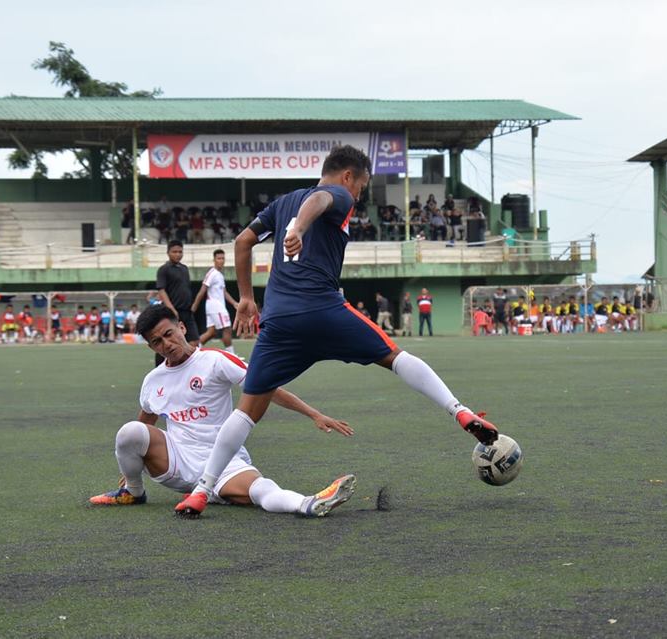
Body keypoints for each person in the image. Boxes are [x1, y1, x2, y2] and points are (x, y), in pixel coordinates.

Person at [174, 145, 499, 518]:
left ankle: (201, 490)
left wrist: (247, 297)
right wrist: (299, 227)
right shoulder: (338, 193)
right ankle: (459, 411)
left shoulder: (282, 203)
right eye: (361, 187)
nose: (357, 197)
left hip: (279, 322)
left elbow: (242, 241)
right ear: (349, 176)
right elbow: (322, 198)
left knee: (247, 412)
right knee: (395, 357)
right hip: (323, 310)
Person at [88, 305, 356, 517]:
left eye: (169, 334)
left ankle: (307, 504)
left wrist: (314, 414)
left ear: (181, 327)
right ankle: (133, 492)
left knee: (260, 490)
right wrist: (129, 467)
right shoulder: (153, 380)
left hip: (224, 461)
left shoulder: (214, 360)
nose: (166, 344)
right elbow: (145, 422)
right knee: (129, 431)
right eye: (157, 342)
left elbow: (267, 388)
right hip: (177, 461)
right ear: (151, 347)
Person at [155, 239, 199, 365]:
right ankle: (159, 368)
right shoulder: (164, 269)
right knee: (168, 341)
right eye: (174, 252)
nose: (178, 254)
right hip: (173, 312)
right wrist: (171, 309)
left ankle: (183, 366)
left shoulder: (184, 269)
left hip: (187, 311)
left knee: (194, 341)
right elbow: (161, 290)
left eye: (180, 252)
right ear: (168, 253)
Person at [192, 249, 239, 353]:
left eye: (223, 258)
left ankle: (194, 351)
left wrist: (234, 303)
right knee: (227, 329)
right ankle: (232, 355)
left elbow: (224, 292)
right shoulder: (212, 273)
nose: (221, 260)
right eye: (219, 258)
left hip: (215, 306)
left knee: (211, 332)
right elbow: (202, 291)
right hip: (215, 306)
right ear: (214, 260)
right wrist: (194, 307)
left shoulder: (220, 275)